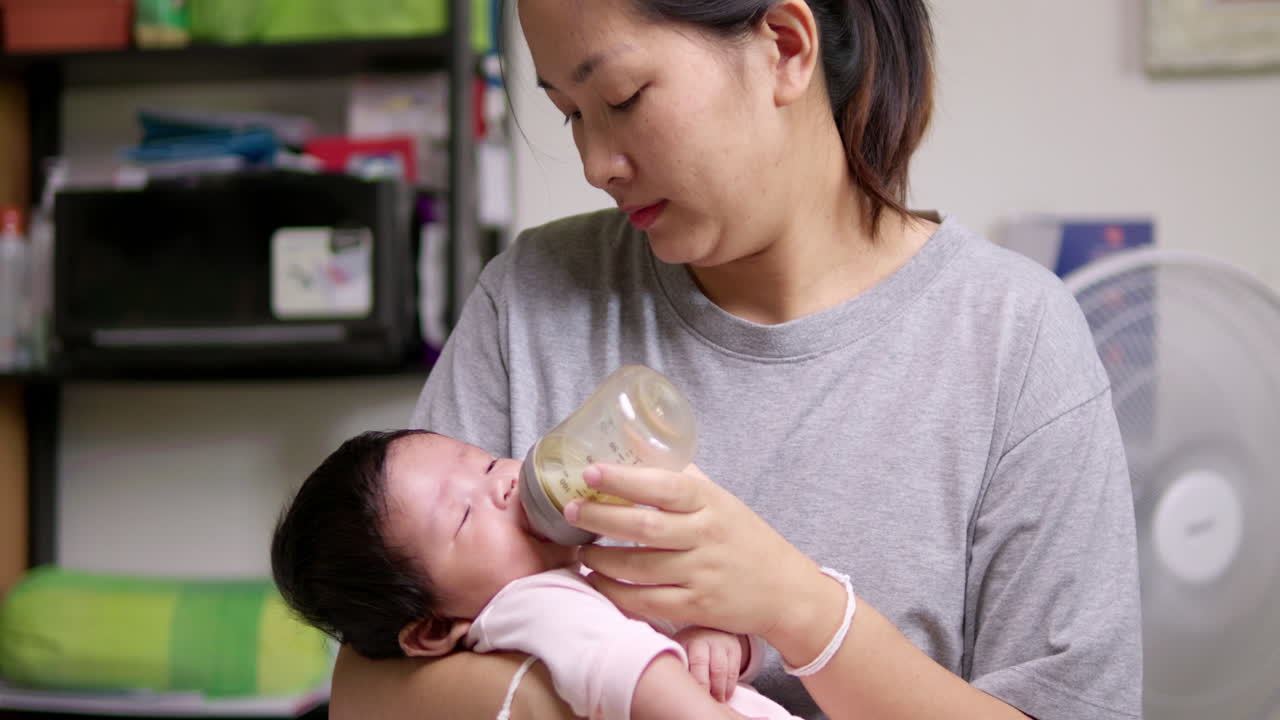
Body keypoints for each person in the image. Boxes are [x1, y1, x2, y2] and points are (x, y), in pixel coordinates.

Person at [330, 0, 1143, 718]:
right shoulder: (533, 298)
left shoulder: (1014, 339)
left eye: (622, 98)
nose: (595, 164)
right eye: (570, 114)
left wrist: (800, 609)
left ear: (786, 47)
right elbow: (367, 694)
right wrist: (622, 679)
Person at [271, 428, 803, 720]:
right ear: (434, 630)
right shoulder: (532, 605)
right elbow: (636, 678)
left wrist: (716, 642)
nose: (501, 485)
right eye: (462, 516)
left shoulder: (585, 580)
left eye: (482, 464)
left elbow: (689, 655)